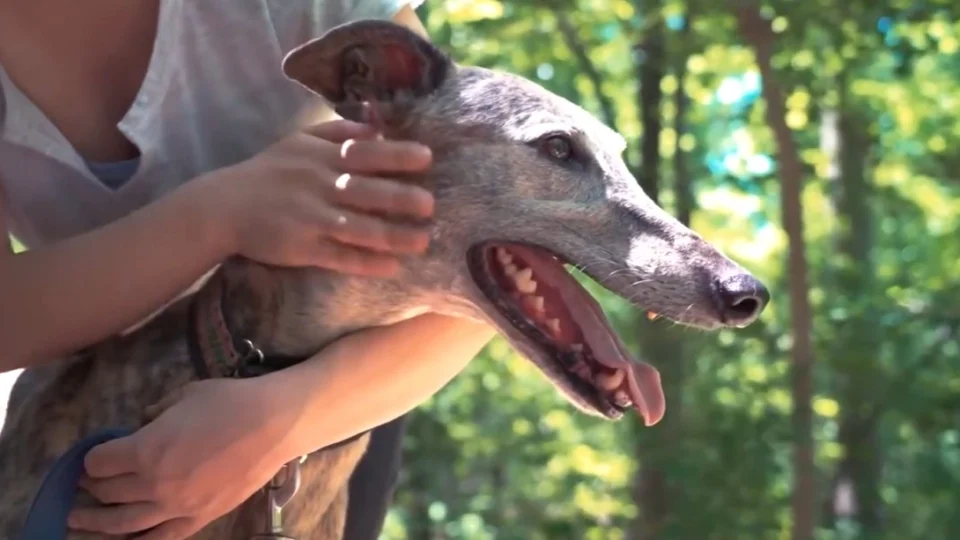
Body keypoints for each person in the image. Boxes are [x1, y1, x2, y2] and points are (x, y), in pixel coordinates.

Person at [0, 0, 494, 538]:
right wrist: (222, 214)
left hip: (343, 400)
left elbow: (490, 251)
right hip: (89, 432)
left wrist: (281, 422)